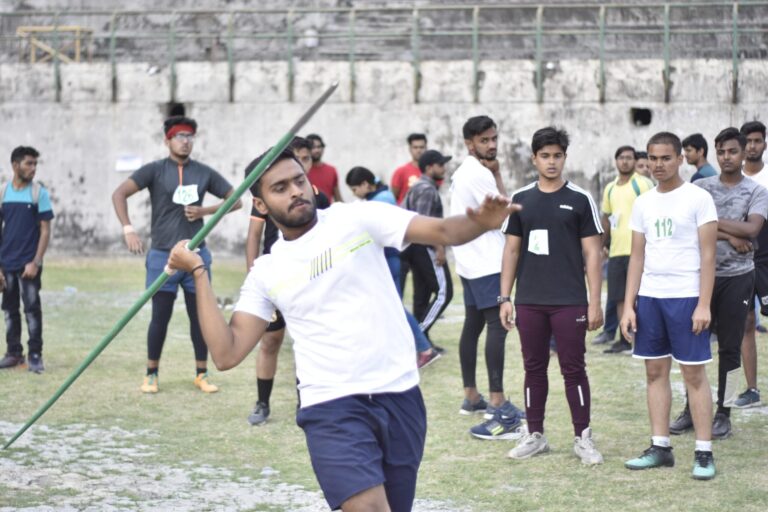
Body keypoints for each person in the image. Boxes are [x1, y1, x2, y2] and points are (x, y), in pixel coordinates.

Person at [165, 147, 520, 511]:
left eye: (299, 180)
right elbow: (226, 353)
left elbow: (443, 230)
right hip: (330, 406)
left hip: (400, 395)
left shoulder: (358, 216)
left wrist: (481, 222)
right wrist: (198, 272)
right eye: (280, 188)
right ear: (260, 204)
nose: (295, 191)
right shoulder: (266, 272)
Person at [111, 116, 241, 394]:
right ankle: (151, 374)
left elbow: (236, 200)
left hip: (196, 256)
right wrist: (128, 229)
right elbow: (119, 194)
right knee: (160, 316)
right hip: (163, 256)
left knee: (200, 318)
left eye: (189, 136)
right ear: (167, 141)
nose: (185, 141)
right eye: (179, 136)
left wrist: (205, 211)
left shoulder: (204, 173)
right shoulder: (154, 170)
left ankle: (201, 374)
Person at [499, 127, 604, 464]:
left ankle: (583, 437)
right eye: (545, 156)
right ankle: (535, 435)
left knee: (573, 369)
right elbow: (511, 251)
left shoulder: (580, 199)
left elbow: (592, 254)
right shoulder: (521, 199)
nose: (551, 162)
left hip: (570, 301)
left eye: (557, 155)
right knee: (533, 368)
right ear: (534, 159)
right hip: (529, 300)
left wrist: (594, 302)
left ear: (564, 158)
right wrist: (505, 297)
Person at [621, 131, 718, 480]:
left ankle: (704, 452)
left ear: (679, 158)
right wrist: (629, 305)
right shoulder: (643, 202)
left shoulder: (698, 198)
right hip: (650, 298)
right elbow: (637, 257)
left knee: (693, 374)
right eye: (653, 158)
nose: (658, 165)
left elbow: (709, 256)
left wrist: (703, 304)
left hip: (687, 297)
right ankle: (660, 447)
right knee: (654, 372)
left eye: (665, 158)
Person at [670, 127, 768, 439]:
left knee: (730, 348)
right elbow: (688, 226)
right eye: (721, 152)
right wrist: (729, 235)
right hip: (699, 277)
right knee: (691, 345)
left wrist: (712, 225)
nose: (727, 157)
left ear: (743, 153)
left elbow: (752, 229)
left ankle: (724, 413)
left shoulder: (756, 191)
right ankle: (691, 409)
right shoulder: (701, 188)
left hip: (737, 277)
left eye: (733, 151)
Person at [245, 136, 330, 426]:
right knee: (270, 341)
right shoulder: (269, 197)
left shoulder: (318, 198)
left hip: (311, 280)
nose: (303, 164)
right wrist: (254, 277)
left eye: (306, 159)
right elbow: (254, 236)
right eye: (299, 158)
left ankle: (304, 401)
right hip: (277, 281)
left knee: (305, 344)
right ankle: (262, 403)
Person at [449, 115, 525, 439]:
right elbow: (508, 215)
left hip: (469, 260)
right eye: (484, 140)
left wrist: (497, 174)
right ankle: (497, 402)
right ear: (470, 144)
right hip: (486, 262)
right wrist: (497, 177)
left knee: (473, 325)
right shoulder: (478, 174)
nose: (492, 145)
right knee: (497, 326)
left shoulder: (465, 171)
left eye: (494, 139)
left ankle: (471, 396)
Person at [345, 165, 440, 369]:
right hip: (390, 259)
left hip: (389, 260)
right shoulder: (380, 197)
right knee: (389, 306)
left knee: (392, 307)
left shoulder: (381, 201)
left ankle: (424, 348)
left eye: (354, 189)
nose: (354, 194)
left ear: (365, 184)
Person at [0, 146, 53, 373]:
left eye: (35, 164)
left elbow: (45, 231)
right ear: (15, 165)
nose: (33, 168)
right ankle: (14, 353)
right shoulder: (3, 192)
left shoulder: (39, 193)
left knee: (32, 310)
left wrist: (36, 262)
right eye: (29, 163)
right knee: (9, 310)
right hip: (6, 264)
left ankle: (35, 355)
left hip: (28, 265)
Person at [601, 146, 654, 354]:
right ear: (616, 161)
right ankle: (625, 340)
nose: (625, 161)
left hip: (639, 251)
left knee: (641, 297)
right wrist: (602, 244)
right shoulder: (610, 188)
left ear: (634, 160)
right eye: (621, 157)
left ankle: (644, 339)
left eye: (629, 158)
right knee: (619, 297)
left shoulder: (643, 184)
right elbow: (607, 218)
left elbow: (653, 211)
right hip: (616, 251)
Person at [402, 150, 454, 350]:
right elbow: (422, 224)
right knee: (444, 293)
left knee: (421, 296)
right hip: (425, 247)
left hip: (415, 247)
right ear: (429, 167)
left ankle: (424, 346)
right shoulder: (426, 190)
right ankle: (418, 337)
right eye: (440, 165)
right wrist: (439, 247)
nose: (444, 168)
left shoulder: (419, 187)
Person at [735, 120, 768, 408]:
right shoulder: (733, 178)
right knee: (745, 323)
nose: (753, 146)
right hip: (741, 259)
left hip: (766, 257)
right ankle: (752, 389)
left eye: (758, 140)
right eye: (749, 141)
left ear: (764, 144)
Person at [391, 133, 427, 205]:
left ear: (426, 148)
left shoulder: (431, 172)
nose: (419, 150)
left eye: (421, 147)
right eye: (415, 147)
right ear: (410, 149)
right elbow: (393, 197)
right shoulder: (401, 171)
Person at [306, 134, 341, 202]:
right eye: (313, 147)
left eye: (319, 147)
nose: (316, 150)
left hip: (328, 208)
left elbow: (338, 198)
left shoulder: (331, 170)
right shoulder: (303, 171)